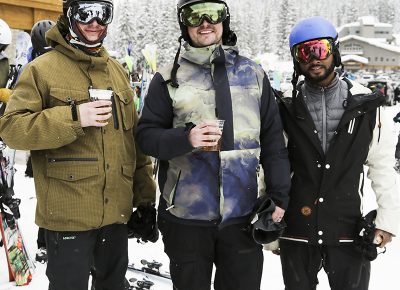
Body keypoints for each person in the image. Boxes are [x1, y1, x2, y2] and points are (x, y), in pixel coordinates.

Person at [0, 1, 157, 290]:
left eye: (103, 13)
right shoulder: (42, 70)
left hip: (115, 216)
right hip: (68, 216)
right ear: (70, 16)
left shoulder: (118, 72)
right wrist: (74, 117)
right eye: (85, 13)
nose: (95, 22)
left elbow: (134, 144)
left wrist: (145, 199)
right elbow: (12, 129)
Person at [136, 0, 291, 289]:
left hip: (243, 214)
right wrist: (186, 138)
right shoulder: (169, 78)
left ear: (225, 19)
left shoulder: (253, 74)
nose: (205, 22)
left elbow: (273, 142)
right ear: (184, 24)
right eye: (195, 15)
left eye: (214, 13)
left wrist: (279, 196)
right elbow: (146, 137)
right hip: (186, 217)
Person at [276, 16, 400, 290]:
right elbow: (270, 165)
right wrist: (269, 222)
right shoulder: (284, 106)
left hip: (348, 229)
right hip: (297, 229)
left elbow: (381, 167)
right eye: (304, 52)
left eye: (319, 49)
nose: (313, 58)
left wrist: (387, 221)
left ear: (334, 50)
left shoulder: (367, 106)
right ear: (296, 59)